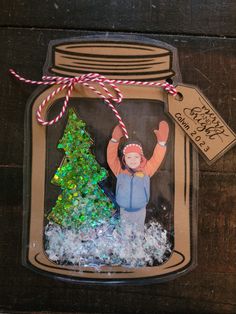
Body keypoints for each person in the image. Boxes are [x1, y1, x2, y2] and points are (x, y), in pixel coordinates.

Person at [107, 121, 169, 234]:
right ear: (124, 159)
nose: (133, 160)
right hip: (124, 211)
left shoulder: (146, 170)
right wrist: (114, 141)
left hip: (140, 211)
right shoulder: (120, 172)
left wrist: (161, 143)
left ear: (141, 158)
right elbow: (111, 159)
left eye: (136, 157)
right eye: (129, 157)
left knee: (138, 235)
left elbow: (156, 159)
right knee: (125, 235)